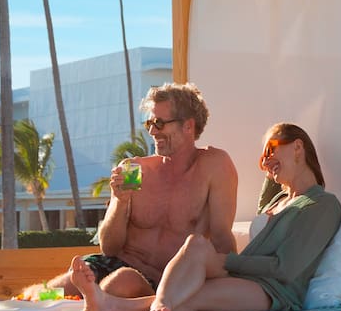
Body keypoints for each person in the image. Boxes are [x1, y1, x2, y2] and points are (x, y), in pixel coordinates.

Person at [73, 122, 341, 311]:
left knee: (194, 297)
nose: (265, 161)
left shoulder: (323, 205)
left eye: (271, 149)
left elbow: (285, 269)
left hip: (275, 290)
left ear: (298, 147)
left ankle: (122, 308)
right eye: (263, 157)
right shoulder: (279, 201)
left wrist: (227, 261)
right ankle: (136, 306)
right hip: (246, 277)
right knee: (196, 244)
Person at [66, 82, 237, 299]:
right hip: (117, 264)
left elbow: (222, 238)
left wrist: (236, 289)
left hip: (164, 282)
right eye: (149, 123)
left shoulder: (214, 165)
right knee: (60, 286)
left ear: (188, 126)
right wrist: (120, 201)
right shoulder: (134, 168)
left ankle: (96, 305)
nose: (151, 131)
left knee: (122, 283)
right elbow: (109, 248)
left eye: (159, 123)